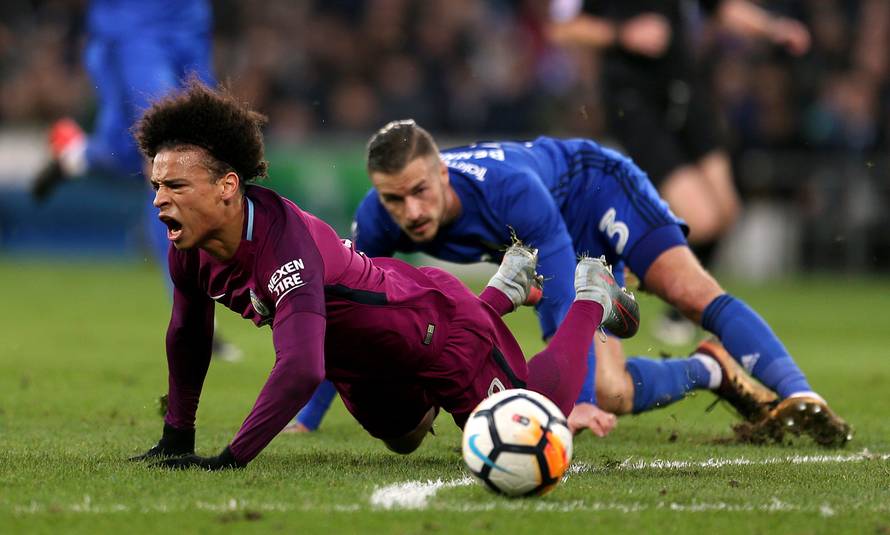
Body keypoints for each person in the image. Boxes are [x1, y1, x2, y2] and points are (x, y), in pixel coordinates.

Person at [127, 80, 640, 470]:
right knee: (406, 437)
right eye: (156, 185)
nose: (159, 200)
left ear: (227, 186)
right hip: (364, 361)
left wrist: (231, 458)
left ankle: (591, 293)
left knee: (528, 427)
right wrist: (177, 437)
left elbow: (303, 367)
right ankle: (503, 290)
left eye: (175, 185)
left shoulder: (284, 248)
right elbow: (187, 334)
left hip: (435, 330)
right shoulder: (190, 247)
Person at [291, 119, 851, 448]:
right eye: (394, 198)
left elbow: (564, 292)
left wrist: (574, 404)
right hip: (556, 243)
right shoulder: (379, 216)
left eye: (419, 191)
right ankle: (712, 369)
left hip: (594, 189)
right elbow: (349, 317)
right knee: (614, 392)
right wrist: (308, 419)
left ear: (442, 173)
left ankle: (801, 392)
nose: (409, 211)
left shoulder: (509, 191)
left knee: (687, 290)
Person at [546, 0, 811, 345]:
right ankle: (664, 288)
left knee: (727, 209)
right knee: (701, 219)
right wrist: (621, 34)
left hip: (686, 89)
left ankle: (679, 302)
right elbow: (562, 28)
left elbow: (722, 8)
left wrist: (773, 28)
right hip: (635, 98)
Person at [29, 0, 239, 360]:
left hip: (189, 24)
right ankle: (192, 315)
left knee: (128, 152)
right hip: (133, 30)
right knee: (165, 155)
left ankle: (75, 155)